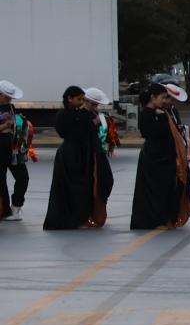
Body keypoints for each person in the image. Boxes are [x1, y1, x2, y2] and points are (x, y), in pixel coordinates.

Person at [44, 85, 111, 230]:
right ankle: (73, 219)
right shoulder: (64, 115)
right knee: (72, 188)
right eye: (80, 99)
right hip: (70, 155)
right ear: (70, 99)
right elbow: (70, 133)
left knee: (86, 187)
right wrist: (92, 124)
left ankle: (83, 217)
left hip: (84, 155)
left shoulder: (83, 114)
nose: (82, 102)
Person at [129, 82, 190, 229]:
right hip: (154, 158)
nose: (167, 101)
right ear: (153, 97)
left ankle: (167, 218)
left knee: (168, 188)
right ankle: (156, 220)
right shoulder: (147, 113)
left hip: (165, 157)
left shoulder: (164, 112)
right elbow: (150, 133)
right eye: (164, 98)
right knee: (155, 191)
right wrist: (162, 119)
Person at [0, 81, 30, 219]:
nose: (9, 100)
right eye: (6, 97)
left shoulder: (10, 107)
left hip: (12, 147)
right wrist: (5, 125)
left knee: (23, 177)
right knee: (1, 181)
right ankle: (4, 211)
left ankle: (16, 206)